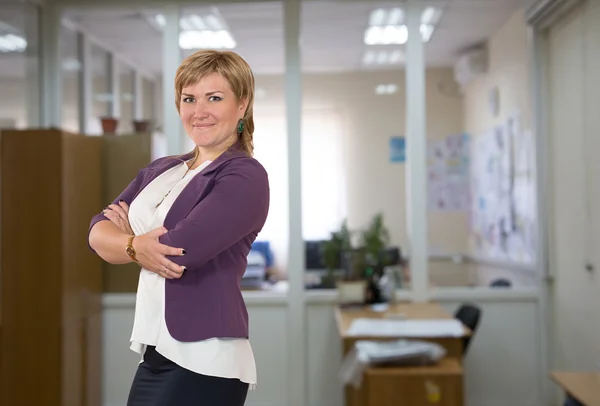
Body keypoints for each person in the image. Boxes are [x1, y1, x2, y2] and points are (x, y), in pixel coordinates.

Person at [87, 50, 270, 406]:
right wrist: (136, 245)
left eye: (214, 98)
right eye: (189, 99)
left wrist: (127, 239)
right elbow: (96, 232)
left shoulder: (244, 175)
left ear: (242, 104)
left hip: (205, 357)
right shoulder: (163, 169)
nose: (198, 111)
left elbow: (181, 251)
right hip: (157, 351)